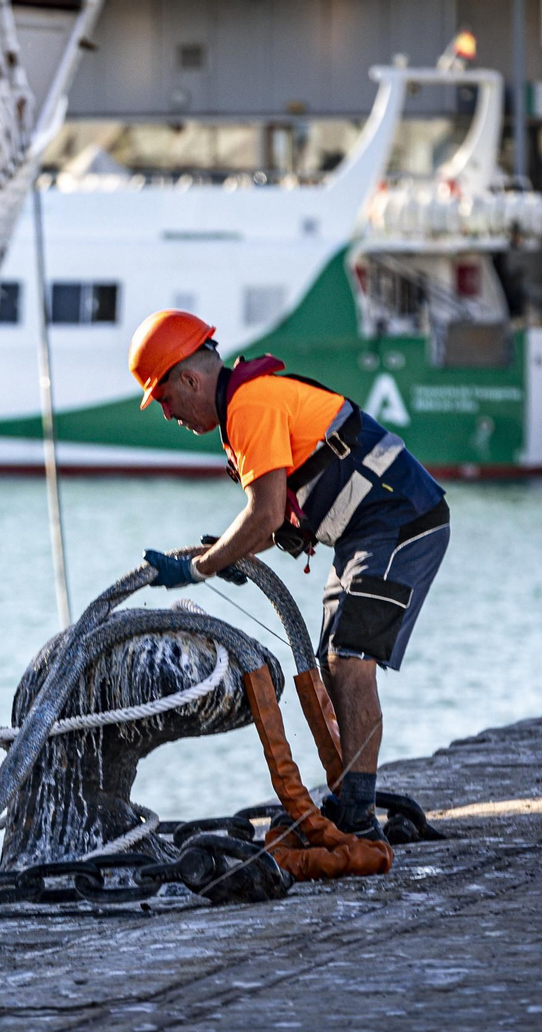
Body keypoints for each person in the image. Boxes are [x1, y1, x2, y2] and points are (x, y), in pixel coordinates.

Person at [127, 309, 450, 843]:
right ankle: (353, 801)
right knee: (332, 661)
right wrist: (231, 553)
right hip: (367, 530)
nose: (166, 413)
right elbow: (282, 516)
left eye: (163, 398)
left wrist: (201, 568)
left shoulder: (251, 405)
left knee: (350, 660)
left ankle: (358, 816)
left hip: (402, 519)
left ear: (188, 379)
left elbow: (266, 513)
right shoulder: (243, 411)